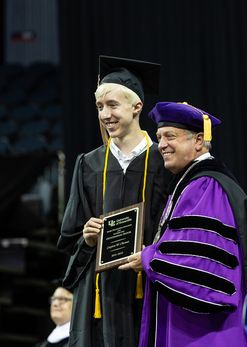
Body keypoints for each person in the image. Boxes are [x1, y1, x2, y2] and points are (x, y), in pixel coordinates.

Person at [119, 101, 247, 346]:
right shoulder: (190, 183)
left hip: (204, 332)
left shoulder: (206, 186)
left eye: (170, 136)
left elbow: (199, 265)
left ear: (198, 141)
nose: (161, 145)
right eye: (159, 137)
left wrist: (149, 257)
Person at [57, 55, 168, 347]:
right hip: (100, 295)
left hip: (149, 287)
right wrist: (88, 238)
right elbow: (69, 238)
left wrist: (152, 255)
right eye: (100, 107)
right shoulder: (88, 164)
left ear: (137, 107)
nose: (105, 114)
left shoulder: (163, 161)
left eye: (112, 105)